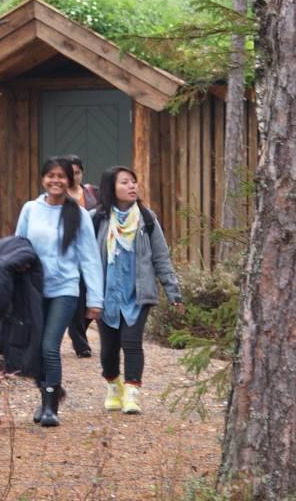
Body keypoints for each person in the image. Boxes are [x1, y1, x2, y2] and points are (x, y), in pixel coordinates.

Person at [15, 156, 103, 427]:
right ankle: (47, 396)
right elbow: (17, 248)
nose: (55, 181)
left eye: (61, 176)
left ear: (70, 180)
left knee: (50, 346)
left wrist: (95, 299)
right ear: (43, 178)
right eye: (50, 176)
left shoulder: (77, 214)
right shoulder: (30, 209)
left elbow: (89, 257)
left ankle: (50, 408)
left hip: (65, 288)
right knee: (35, 348)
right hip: (33, 289)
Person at [92, 165, 184, 414]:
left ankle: (132, 393)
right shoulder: (97, 218)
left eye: (133, 181)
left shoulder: (146, 218)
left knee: (131, 343)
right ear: (111, 187)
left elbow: (161, 257)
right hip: (106, 295)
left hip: (137, 294)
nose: (132, 186)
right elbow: (86, 259)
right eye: (125, 182)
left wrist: (173, 292)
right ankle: (113, 386)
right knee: (109, 347)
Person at [64, 154, 99, 358]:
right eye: (69, 172)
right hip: (69, 254)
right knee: (76, 298)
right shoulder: (58, 196)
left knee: (90, 296)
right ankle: (80, 343)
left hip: (91, 251)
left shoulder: (93, 193)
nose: (73, 176)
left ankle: (78, 329)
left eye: (77, 172)